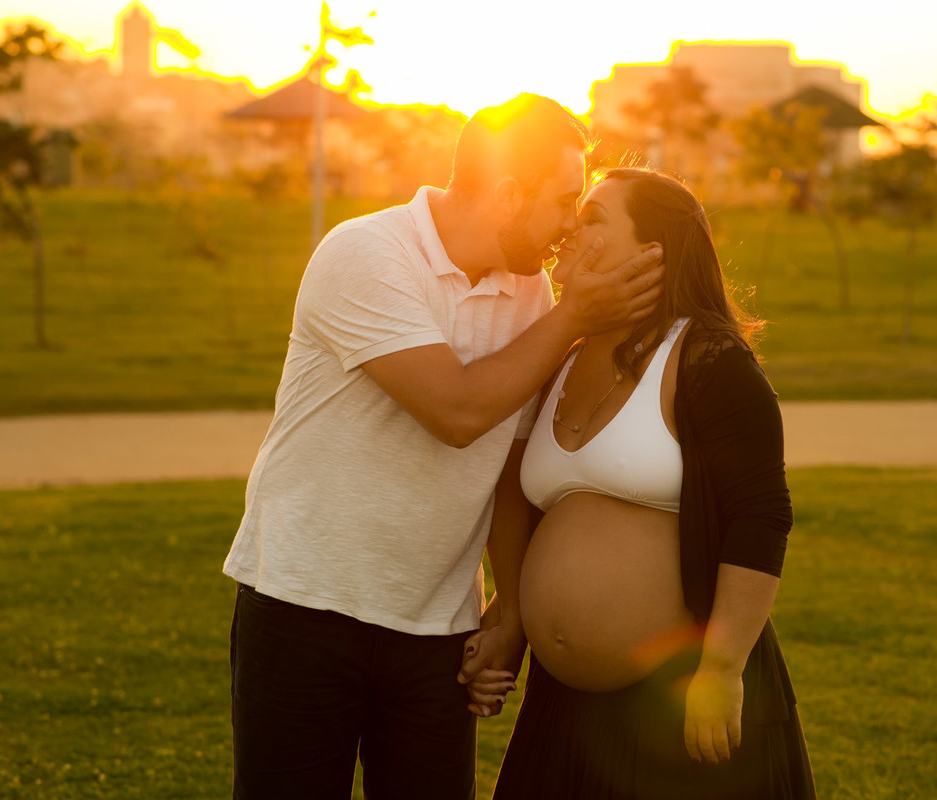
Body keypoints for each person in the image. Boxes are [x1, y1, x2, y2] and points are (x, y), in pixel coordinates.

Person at [221, 95, 664, 800]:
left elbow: (508, 468)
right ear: (510, 193)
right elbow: (455, 411)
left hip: (436, 633)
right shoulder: (365, 253)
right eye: (563, 200)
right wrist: (577, 316)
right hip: (306, 610)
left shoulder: (530, 297)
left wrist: (510, 611)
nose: (569, 225)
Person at [463, 167, 816, 799]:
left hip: (678, 704)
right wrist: (510, 618)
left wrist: (723, 669)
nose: (571, 226)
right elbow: (528, 503)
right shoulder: (558, 357)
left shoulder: (710, 360)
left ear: (653, 251)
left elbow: (761, 516)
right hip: (563, 709)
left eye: (595, 216)